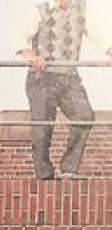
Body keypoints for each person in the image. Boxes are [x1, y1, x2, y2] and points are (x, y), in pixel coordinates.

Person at [16, 0, 112, 179]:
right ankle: (44, 175)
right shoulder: (40, 11)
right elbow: (18, 36)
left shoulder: (82, 11)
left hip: (68, 77)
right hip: (42, 77)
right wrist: (31, 56)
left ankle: (68, 168)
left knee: (84, 116)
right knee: (42, 127)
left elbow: (102, 37)